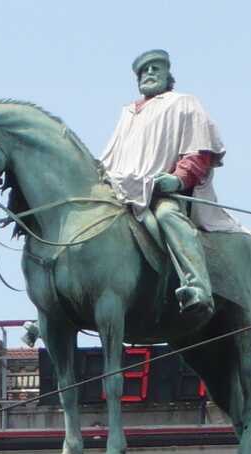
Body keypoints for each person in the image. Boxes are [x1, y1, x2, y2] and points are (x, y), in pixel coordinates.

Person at [100, 49, 242, 320]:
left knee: (167, 215)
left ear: (168, 75)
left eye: (156, 68)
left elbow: (199, 150)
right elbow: (109, 158)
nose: (149, 73)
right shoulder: (127, 114)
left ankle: (198, 285)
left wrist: (177, 179)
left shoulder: (184, 103)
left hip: (161, 192)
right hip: (121, 191)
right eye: (144, 70)